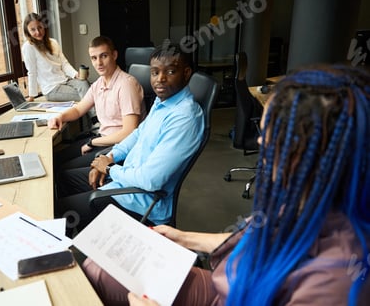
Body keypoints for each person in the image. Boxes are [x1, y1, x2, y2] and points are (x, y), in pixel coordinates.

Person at [82, 64, 370, 305]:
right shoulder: (305, 200)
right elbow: (258, 242)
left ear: (312, 156)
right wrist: (183, 238)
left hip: (235, 294)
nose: (261, 142)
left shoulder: (335, 283)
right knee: (97, 268)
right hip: (235, 284)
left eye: (272, 136)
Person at [55, 42, 204, 233]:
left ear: (186, 73)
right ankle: (95, 240)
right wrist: (110, 157)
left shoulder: (184, 118)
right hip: (126, 178)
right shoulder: (163, 100)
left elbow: (151, 181)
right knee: (65, 178)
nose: (160, 79)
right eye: (155, 72)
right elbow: (138, 134)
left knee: (58, 211)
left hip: (141, 201)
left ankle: (93, 242)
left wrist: (109, 169)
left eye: (170, 72)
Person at [49, 36, 146, 170]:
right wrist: (60, 117)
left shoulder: (126, 85)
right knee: (54, 160)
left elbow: (129, 132)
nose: (98, 63)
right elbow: (78, 110)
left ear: (114, 55)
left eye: (103, 56)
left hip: (118, 147)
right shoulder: (98, 84)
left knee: (62, 170)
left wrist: (92, 142)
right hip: (102, 139)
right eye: (94, 58)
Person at [21, 12, 89, 102]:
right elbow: (32, 72)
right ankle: (94, 116)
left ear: (44, 26)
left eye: (40, 27)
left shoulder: (53, 42)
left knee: (84, 83)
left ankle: (93, 115)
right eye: (33, 30)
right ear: (28, 32)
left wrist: (76, 74)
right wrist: (31, 96)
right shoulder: (28, 47)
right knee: (87, 94)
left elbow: (64, 64)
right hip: (51, 89)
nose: (38, 32)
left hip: (65, 80)